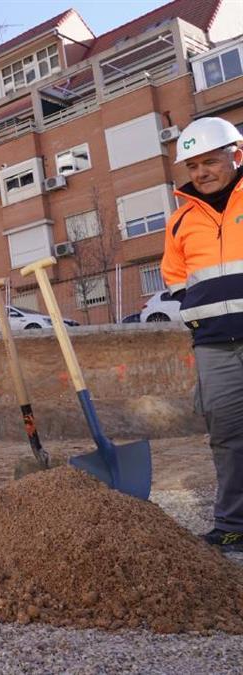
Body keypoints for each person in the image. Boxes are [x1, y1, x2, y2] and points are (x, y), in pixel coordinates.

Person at [162, 117, 243, 553]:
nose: (200, 173)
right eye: (192, 166)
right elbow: (177, 278)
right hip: (214, 346)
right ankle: (233, 524)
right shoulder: (180, 223)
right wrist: (202, 317)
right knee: (228, 437)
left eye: (209, 162)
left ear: (237, 155)